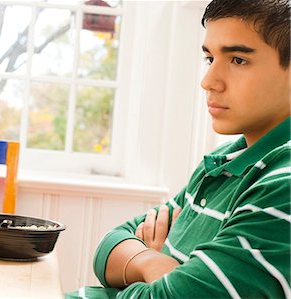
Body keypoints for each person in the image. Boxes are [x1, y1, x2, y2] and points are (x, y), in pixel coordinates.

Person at [67, 0, 290, 298]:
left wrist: (143, 276)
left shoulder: (282, 183)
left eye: (238, 60)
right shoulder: (222, 164)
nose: (208, 81)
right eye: (210, 59)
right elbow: (108, 247)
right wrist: (152, 262)